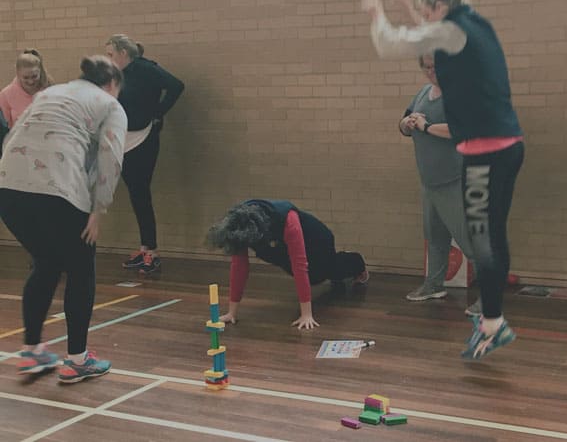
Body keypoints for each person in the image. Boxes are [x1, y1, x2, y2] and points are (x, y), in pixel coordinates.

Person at [363, 0, 525, 359]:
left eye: (427, 11)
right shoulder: (476, 25)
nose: (426, 18)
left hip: (483, 153)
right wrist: (411, 9)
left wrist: (377, 13)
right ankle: (493, 320)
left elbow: (390, 43)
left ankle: (492, 322)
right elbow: (436, 38)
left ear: (441, 5)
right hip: (509, 146)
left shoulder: (451, 31)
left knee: (482, 240)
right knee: (493, 235)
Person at [0, 55, 126, 382]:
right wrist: (98, 210)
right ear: (112, 84)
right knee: (82, 267)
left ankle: (32, 352)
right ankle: (78, 360)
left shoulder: (50, 93)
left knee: (47, 262)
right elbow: (111, 159)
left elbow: (13, 136)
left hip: (8, 189)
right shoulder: (110, 105)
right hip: (58, 190)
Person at [207, 199, 370, 329]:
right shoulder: (238, 225)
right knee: (313, 278)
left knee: (323, 272)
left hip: (316, 239)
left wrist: (306, 315)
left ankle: (356, 262)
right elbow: (239, 268)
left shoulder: (287, 220)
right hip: (279, 244)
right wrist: (232, 313)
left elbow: (299, 266)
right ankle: (335, 272)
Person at [105, 34, 185, 274]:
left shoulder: (146, 69)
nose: (108, 59)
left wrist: (159, 112)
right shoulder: (117, 74)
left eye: (110, 54)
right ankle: (144, 248)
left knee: (141, 192)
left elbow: (176, 85)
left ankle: (152, 251)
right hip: (124, 138)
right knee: (136, 193)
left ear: (123, 53)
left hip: (144, 138)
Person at [399, 54, 474, 303]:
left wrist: (426, 126)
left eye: (436, 67)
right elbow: (405, 121)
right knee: (435, 237)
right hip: (430, 181)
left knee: (469, 240)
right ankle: (433, 285)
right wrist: (406, 123)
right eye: (427, 67)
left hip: (454, 179)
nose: (431, 72)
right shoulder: (423, 93)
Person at [0, 49, 53, 129]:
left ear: (40, 72)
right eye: (25, 77)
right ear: (18, 74)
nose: (31, 81)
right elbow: (4, 130)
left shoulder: (50, 90)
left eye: (34, 76)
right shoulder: (5, 95)